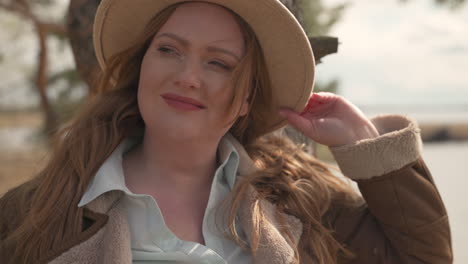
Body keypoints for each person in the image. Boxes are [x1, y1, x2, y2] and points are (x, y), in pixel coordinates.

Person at [0, 0, 452, 263]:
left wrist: (364, 142)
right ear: (141, 67)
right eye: (169, 50)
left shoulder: (306, 205)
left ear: (246, 99)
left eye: (218, 62)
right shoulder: (34, 213)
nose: (187, 76)